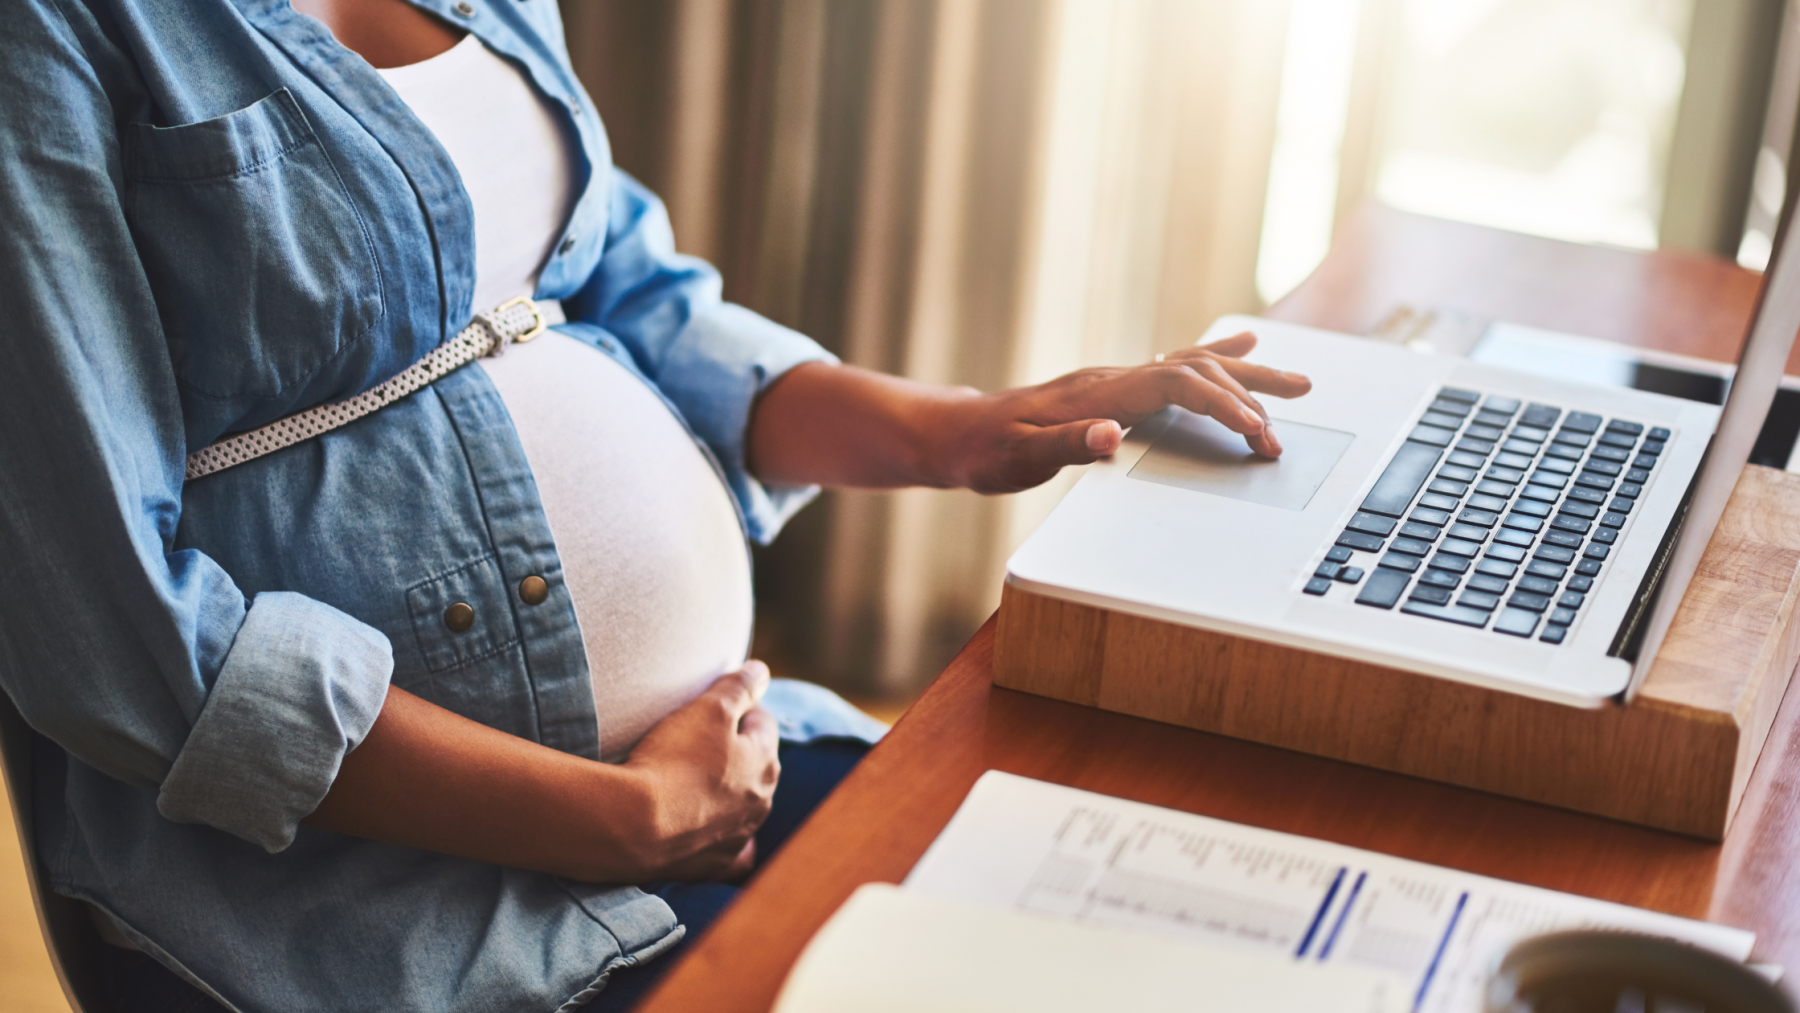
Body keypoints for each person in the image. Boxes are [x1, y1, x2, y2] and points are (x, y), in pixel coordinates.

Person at [0, 0, 1312, 1010]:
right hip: (379, 902)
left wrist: (964, 431)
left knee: (1112, 934)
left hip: (704, 778)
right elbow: (105, 634)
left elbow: (617, 279)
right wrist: (621, 821)